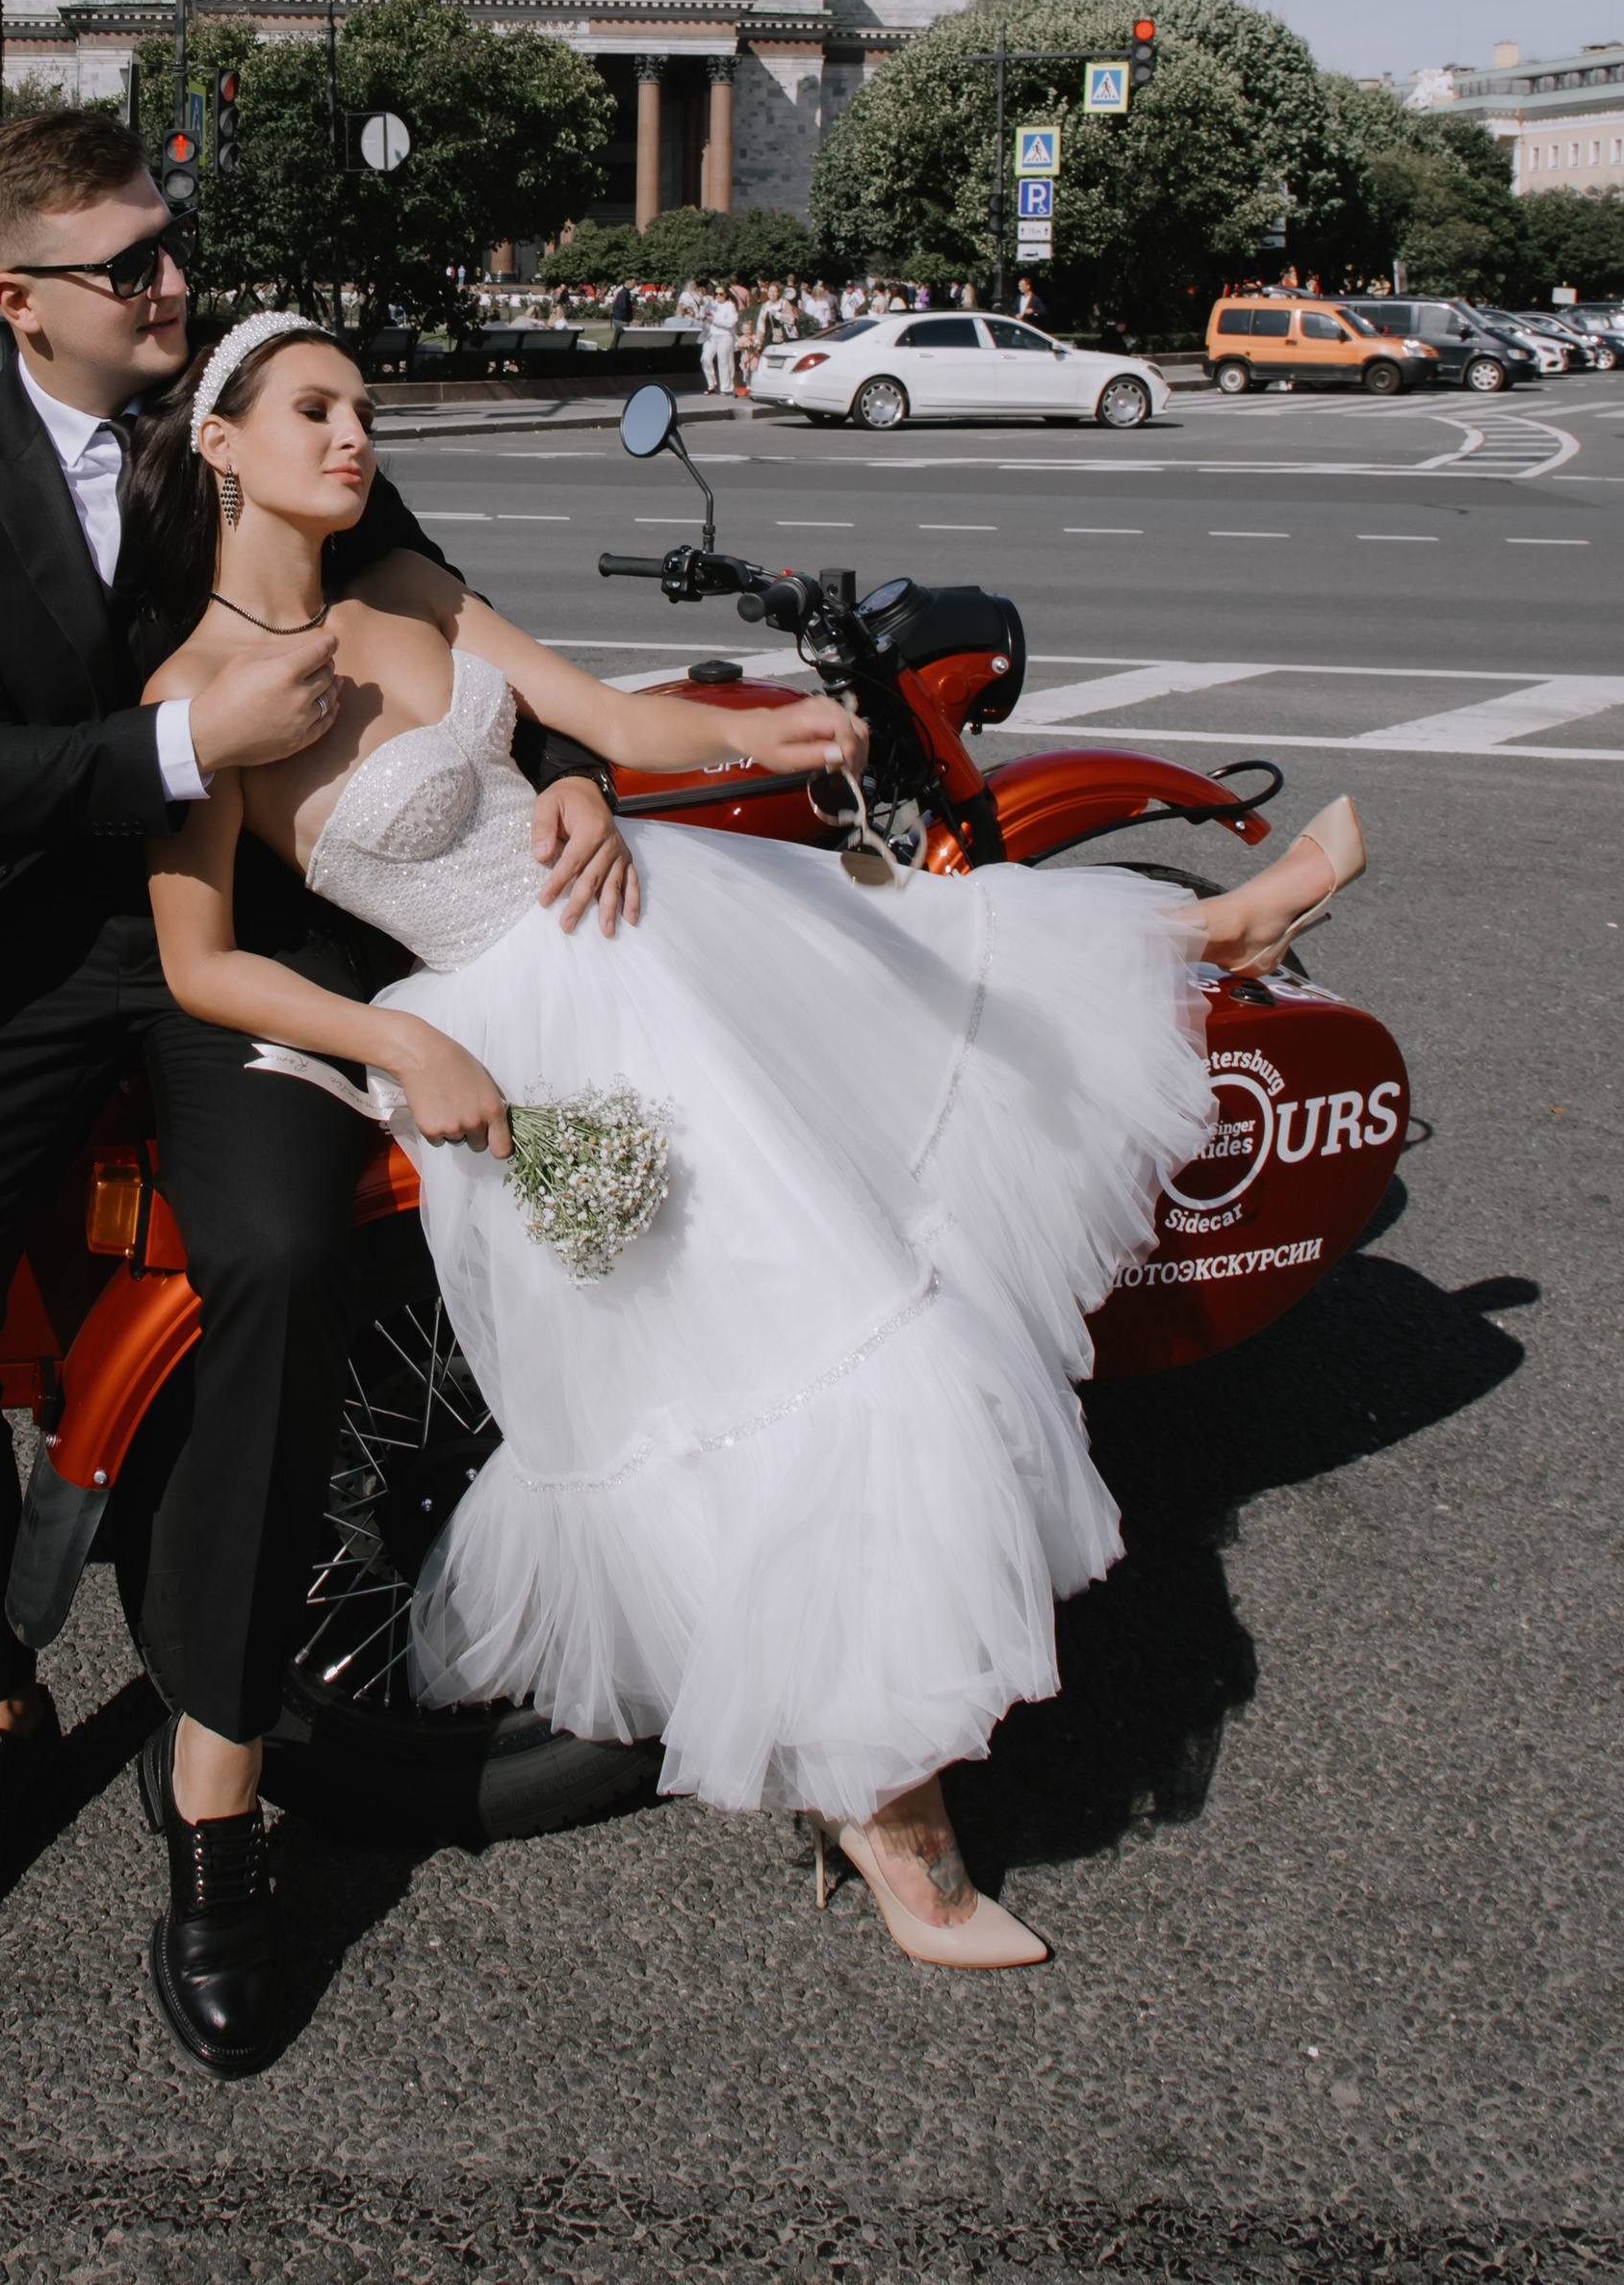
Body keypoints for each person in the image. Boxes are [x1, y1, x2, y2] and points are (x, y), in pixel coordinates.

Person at [135, 322, 1371, 1975]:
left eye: (362, 408)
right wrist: (401, 1041)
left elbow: (608, 725)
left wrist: (759, 733)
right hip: (530, 1022)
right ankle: (889, 1817)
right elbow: (200, 961)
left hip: (658, 923)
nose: (355, 434)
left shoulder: (405, 590)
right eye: (315, 410)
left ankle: (1204, 935)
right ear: (220, 444)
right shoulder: (191, 693)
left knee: (927, 1001)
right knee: (795, 1360)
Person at [0, 117, 633, 2077]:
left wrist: (572, 769)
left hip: (256, 947)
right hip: (38, 943)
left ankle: (215, 1780)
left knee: (279, 1260)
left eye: (170, 250)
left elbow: (455, 647)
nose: (166, 286)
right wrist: (189, 734)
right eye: (124, 268)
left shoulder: (276, 416)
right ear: (14, 297)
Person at [702, 285, 741, 395]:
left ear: (726, 294)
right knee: (705, 358)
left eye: (721, 294)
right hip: (711, 335)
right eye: (716, 293)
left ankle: (726, 387)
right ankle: (711, 384)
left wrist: (715, 319)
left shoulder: (730, 306)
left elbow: (730, 323)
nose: (718, 296)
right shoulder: (712, 304)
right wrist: (705, 318)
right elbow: (704, 315)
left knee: (724, 361)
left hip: (725, 336)